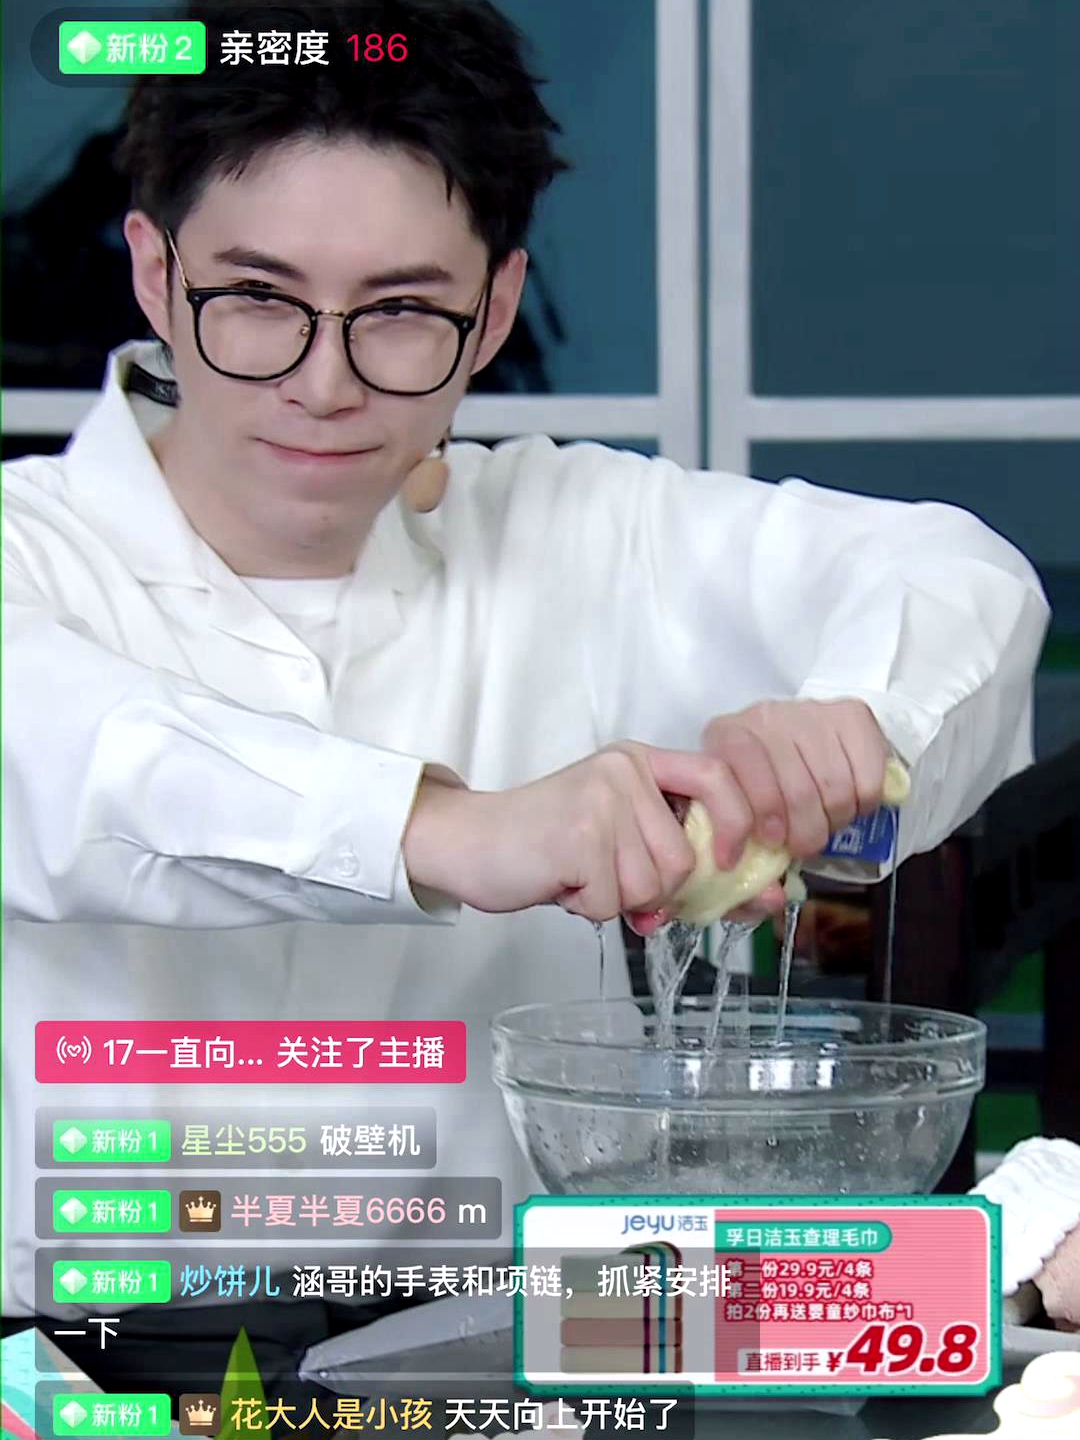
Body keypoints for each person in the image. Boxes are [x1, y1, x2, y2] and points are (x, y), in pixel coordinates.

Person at [2, 0, 1049, 1394]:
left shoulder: (574, 531)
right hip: (67, 1372)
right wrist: (453, 829)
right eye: (256, 298)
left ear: (493, 308)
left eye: (400, 313)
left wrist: (856, 722)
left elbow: (959, 576)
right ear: (153, 271)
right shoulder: (27, 552)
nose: (324, 383)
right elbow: (73, 754)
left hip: (513, 1361)